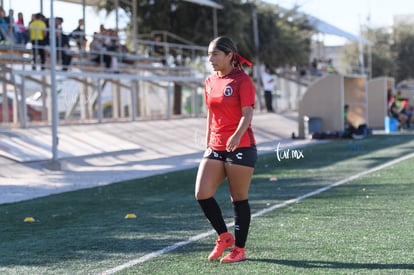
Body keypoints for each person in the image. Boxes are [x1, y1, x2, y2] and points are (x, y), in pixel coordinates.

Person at [195, 36, 257, 263]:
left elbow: (247, 113)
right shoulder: (210, 81)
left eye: (215, 54)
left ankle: (239, 249)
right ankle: (223, 236)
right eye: (209, 54)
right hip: (216, 145)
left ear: (229, 55)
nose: (210, 59)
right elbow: (211, 113)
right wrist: (208, 141)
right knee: (202, 193)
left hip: (241, 145)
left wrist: (236, 135)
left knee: (238, 198)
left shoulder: (242, 81)